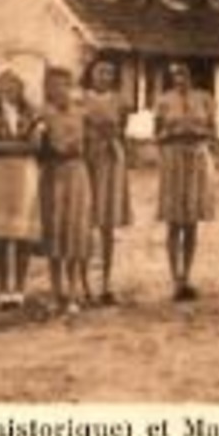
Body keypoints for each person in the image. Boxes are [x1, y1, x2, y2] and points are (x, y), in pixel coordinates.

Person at [0, 69, 43, 309]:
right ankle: (4, 289)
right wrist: (18, 145)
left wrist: (5, 147)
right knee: (2, 235)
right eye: (4, 85)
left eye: (13, 84)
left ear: (20, 87)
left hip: (25, 174)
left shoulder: (32, 111)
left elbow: (36, 145)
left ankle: (20, 289)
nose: (9, 89)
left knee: (23, 234)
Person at [154, 61, 217, 301]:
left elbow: (213, 132)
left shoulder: (205, 99)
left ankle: (187, 276)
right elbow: (157, 134)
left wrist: (202, 139)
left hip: (196, 159)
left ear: (193, 75)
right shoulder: (164, 100)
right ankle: (174, 280)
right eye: (175, 75)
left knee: (191, 221)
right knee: (173, 221)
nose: (179, 79)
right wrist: (172, 134)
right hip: (173, 158)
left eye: (184, 74)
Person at [39, 67, 92, 315]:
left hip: (76, 174)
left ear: (70, 87)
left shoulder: (82, 114)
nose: (58, 90)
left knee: (74, 229)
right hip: (51, 174)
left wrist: (77, 150)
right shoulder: (43, 115)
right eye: (53, 86)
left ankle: (72, 292)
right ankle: (55, 291)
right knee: (54, 230)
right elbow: (39, 147)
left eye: (63, 85)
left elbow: (91, 145)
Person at [82, 57, 133, 305]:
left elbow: (122, 130)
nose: (105, 77)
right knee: (85, 222)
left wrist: (115, 146)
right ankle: (83, 283)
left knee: (107, 224)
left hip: (111, 160)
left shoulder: (120, 100)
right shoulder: (81, 98)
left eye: (110, 73)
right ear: (91, 74)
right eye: (101, 72)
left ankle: (106, 283)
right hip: (87, 159)